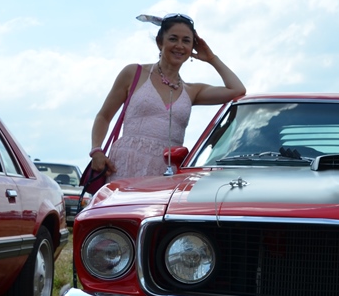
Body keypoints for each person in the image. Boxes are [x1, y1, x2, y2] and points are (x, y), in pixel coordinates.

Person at [89, 13, 246, 180]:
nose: (179, 46)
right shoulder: (134, 73)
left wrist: (211, 58)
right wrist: (96, 151)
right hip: (126, 164)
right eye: (173, 39)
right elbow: (104, 116)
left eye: (186, 41)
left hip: (167, 169)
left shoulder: (192, 91)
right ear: (160, 42)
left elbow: (237, 89)